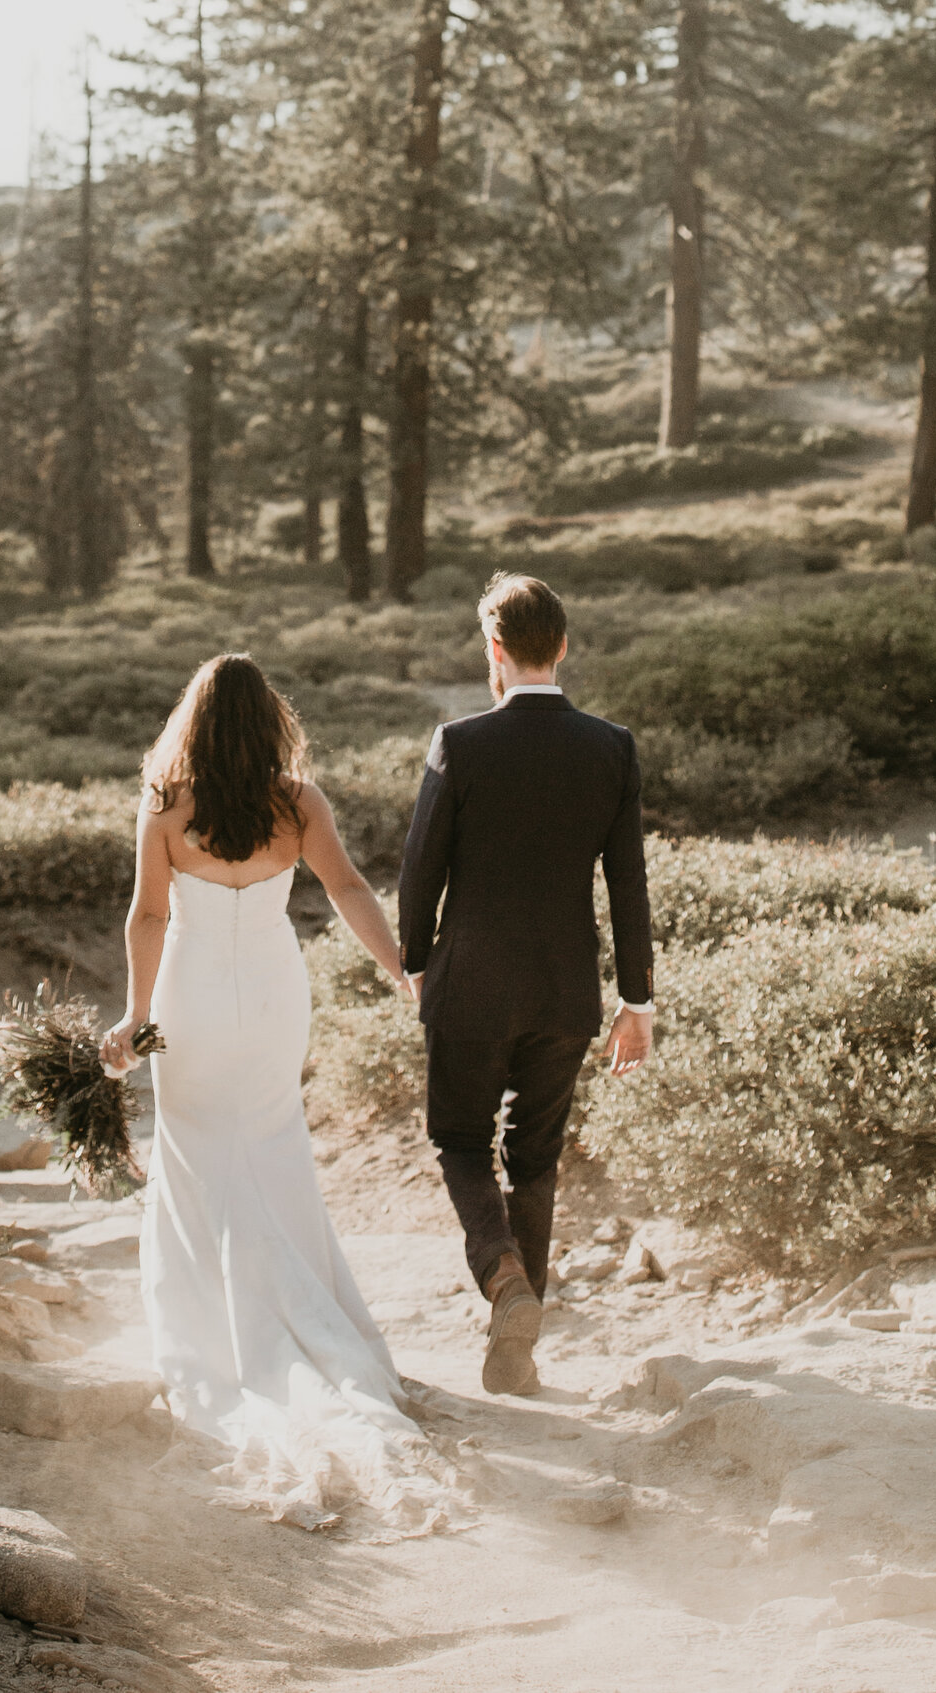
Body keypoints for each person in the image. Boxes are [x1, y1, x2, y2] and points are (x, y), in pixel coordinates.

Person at [100, 653, 445, 1528]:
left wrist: (136, 1018)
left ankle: (216, 1334)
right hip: (274, 995)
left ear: (193, 723)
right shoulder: (299, 802)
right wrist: (403, 968)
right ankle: (306, 1319)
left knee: (196, 1158)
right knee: (273, 1144)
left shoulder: (167, 808)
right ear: (270, 722)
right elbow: (348, 888)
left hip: (192, 1000)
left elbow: (147, 915)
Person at [398, 571, 654, 1397]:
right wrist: (637, 1001)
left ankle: (504, 1277)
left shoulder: (460, 742)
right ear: (565, 646)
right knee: (534, 1156)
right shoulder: (611, 746)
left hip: (469, 980)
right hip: (564, 990)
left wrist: (414, 961)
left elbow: (419, 869)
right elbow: (628, 884)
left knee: (461, 1141)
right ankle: (516, 1356)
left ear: (495, 651)